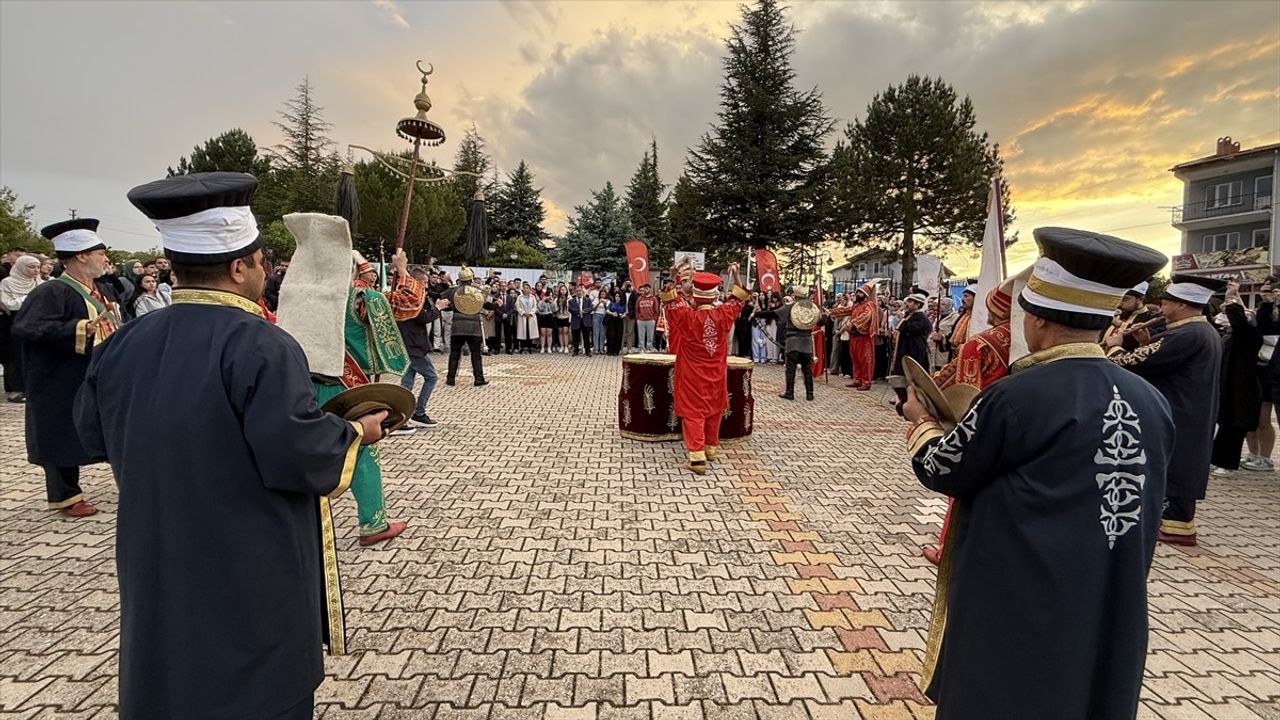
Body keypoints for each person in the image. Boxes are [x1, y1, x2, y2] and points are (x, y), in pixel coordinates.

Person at [75, 171, 388, 720]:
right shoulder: (261, 343)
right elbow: (298, 454)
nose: (266, 273)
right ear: (241, 266)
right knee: (256, 685)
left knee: (170, 674)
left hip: (158, 551)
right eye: (264, 262)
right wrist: (355, 432)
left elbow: (90, 433)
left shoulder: (125, 340)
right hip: (245, 558)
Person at [902, 227, 1172, 719]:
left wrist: (921, 420)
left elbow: (942, 467)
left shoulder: (1016, 395)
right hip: (1107, 594)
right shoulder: (1151, 401)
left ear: (1038, 321)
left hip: (1025, 599)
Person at [1107, 273, 1225, 547]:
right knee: (1181, 460)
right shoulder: (1200, 330)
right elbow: (1162, 359)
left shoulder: (1187, 333)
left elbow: (1136, 363)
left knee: (1176, 463)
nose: (1160, 308)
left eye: (1166, 302)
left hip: (1180, 410)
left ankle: (1176, 525)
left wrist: (1115, 349)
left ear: (1182, 304)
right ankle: (1176, 522)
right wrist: (1147, 342)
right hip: (1190, 408)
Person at [13, 219, 120, 516]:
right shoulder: (53, 292)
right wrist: (78, 328)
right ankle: (65, 496)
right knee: (60, 431)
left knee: (112, 426)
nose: (105, 258)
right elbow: (27, 327)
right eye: (100, 252)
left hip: (97, 371)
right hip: (60, 377)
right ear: (81, 255)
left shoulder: (101, 289)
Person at [920, 275, 1019, 566]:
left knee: (960, 490)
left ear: (996, 309)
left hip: (982, 422)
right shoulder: (1026, 342)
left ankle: (947, 550)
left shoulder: (980, 344)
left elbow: (965, 394)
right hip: (1016, 427)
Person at [660, 262, 749, 474]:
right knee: (713, 409)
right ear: (715, 294)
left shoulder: (686, 315)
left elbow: (668, 299)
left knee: (694, 412)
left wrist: (674, 277)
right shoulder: (724, 314)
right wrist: (736, 274)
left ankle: (697, 456)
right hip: (716, 373)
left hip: (692, 373)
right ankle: (711, 448)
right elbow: (740, 297)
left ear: (696, 294)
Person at [1209, 283, 1261, 473]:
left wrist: (1232, 299)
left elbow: (1240, 321)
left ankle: (1227, 463)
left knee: (1233, 427)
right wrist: (1232, 298)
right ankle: (1216, 458)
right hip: (1225, 384)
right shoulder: (1228, 335)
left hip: (1241, 387)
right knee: (1222, 423)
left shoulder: (1250, 335)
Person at [756, 294, 821, 401]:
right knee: (807, 370)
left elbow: (773, 314)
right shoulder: (812, 307)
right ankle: (810, 393)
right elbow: (820, 321)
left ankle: (789, 392)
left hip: (793, 342)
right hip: (806, 343)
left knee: (791, 369)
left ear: (796, 296)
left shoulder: (791, 307)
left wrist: (757, 314)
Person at [398, 267, 441, 429]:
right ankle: (419, 412)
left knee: (407, 381)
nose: (426, 286)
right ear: (416, 281)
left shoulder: (409, 295)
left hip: (409, 343)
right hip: (414, 344)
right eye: (424, 282)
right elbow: (423, 317)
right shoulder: (411, 297)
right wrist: (438, 308)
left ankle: (401, 415)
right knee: (431, 377)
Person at [0, 255, 45, 402]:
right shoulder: (8, 283)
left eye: (38, 267)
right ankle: (16, 389)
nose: (35, 270)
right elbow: (8, 304)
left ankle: (32, 387)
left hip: (36, 322)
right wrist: (28, 299)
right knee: (16, 356)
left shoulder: (39, 283)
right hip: (14, 322)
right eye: (31, 267)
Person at [441, 265, 494, 386]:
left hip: (457, 327)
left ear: (460, 280)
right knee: (476, 354)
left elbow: (442, 298)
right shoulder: (477, 291)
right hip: (474, 327)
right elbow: (485, 305)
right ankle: (479, 379)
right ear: (471, 279)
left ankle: (450, 378)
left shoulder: (453, 290)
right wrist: (496, 305)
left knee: (454, 353)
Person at [830, 283, 879, 391]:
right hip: (854, 336)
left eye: (860, 292)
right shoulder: (856, 305)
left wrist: (852, 323)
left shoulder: (870, 305)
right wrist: (831, 312)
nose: (857, 294)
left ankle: (866, 382)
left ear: (866, 294)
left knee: (865, 360)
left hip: (864, 337)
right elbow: (845, 310)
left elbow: (866, 316)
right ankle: (858, 379)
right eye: (857, 292)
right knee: (855, 358)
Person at [1101, 281, 1164, 352]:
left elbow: (1149, 341)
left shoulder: (1154, 317)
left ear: (1140, 299)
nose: (1120, 303)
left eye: (1125, 299)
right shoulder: (1117, 314)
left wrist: (1121, 324)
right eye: (1119, 298)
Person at [890, 292, 931, 375]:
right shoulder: (909, 315)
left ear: (917, 305)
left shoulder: (920, 318)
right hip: (905, 348)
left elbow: (912, 329)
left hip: (913, 349)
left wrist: (902, 319)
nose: (906, 305)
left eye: (909, 302)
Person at [568, 285, 593, 356]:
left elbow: (590, 308)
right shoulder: (571, 301)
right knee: (575, 337)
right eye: (577, 291)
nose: (579, 292)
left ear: (582, 291)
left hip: (585, 321)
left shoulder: (587, 300)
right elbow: (570, 309)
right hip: (576, 320)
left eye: (580, 291)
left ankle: (587, 351)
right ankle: (576, 350)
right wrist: (578, 312)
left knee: (586, 337)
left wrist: (583, 311)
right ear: (575, 292)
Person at [634, 283, 658, 353]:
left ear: (649, 289)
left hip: (650, 320)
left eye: (647, 288)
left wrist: (654, 319)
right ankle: (641, 348)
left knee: (650, 335)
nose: (645, 290)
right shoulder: (639, 298)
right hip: (641, 320)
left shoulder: (653, 299)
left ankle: (649, 348)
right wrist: (638, 317)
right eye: (644, 288)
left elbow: (656, 310)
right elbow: (637, 309)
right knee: (641, 335)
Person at [515, 282, 538, 353]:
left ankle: (529, 346)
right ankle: (522, 346)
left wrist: (530, 313)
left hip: (531, 317)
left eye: (527, 288)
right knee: (522, 331)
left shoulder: (533, 297)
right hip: (522, 316)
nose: (525, 289)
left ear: (530, 289)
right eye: (524, 288)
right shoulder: (519, 297)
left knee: (529, 332)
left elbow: (535, 306)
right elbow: (517, 306)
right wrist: (523, 313)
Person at [606, 290, 626, 356]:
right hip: (612, 320)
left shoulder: (623, 304)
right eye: (616, 296)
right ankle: (610, 350)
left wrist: (623, 315)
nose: (617, 297)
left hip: (619, 320)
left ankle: (616, 351)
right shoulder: (611, 303)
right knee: (611, 335)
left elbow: (625, 312)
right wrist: (612, 313)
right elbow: (607, 310)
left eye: (618, 296)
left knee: (618, 335)